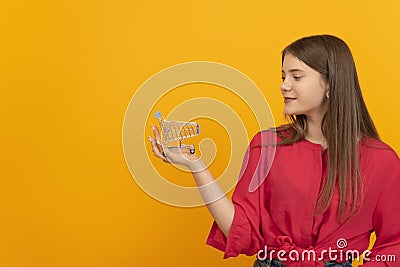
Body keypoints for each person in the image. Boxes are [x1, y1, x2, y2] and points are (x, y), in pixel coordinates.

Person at [149, 35, 400, 267]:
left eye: (296, 76)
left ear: (330, 84)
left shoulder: (381, 161)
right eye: (283, 76)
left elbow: (395, 243)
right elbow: (241, 229)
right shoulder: (266, 145)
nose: (284, 85)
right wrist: (197, 165)